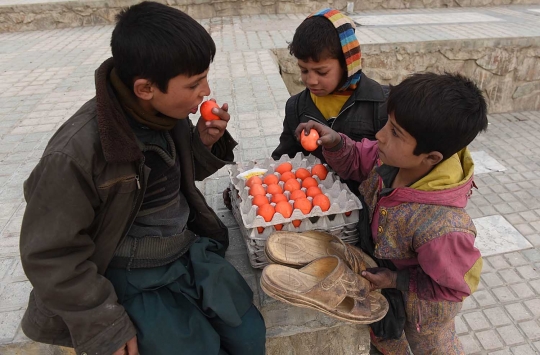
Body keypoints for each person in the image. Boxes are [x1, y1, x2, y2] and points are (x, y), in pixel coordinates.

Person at [19, 2, 266, 355]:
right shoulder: (76, 153)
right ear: (145, 88)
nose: (206, 91)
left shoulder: (165, 114)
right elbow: (50, 254)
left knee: (249, 336)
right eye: (195, 83)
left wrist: (203, 143)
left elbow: (170, 178)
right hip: (130, 273)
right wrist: (103, 324)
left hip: (184, 251)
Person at [296, 72, 487, 354]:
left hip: (424, 312)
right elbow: (359, 159)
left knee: (433, 348)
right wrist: (336, 142)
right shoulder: (391, 160)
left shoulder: (443, 228)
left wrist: (396, 280)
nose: (380, 134)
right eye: (388, 122)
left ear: (431, 157)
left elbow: (452, 288)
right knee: (389, 338)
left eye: (395, 132)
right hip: (387, 289)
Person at [271, 8, 388, 163]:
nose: (311, 80)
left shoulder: (381, 104)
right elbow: (286, 158)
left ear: (348, 65)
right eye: (304, 70)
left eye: (322, 72)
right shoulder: (296, 107)